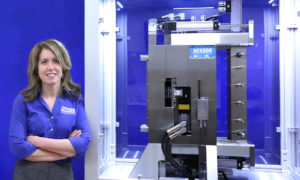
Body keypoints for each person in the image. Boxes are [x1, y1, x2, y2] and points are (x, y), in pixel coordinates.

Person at [9, 39, 90, 180]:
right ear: (37, 68)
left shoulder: (75, 100)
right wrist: (67, 151)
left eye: (56, 61)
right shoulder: (23, 100)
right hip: (27, 174)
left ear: (63, 66)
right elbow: (17, 147)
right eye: (44, 62)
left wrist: (37, 141)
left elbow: (83, 143)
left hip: (62, 175)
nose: (50, 67)